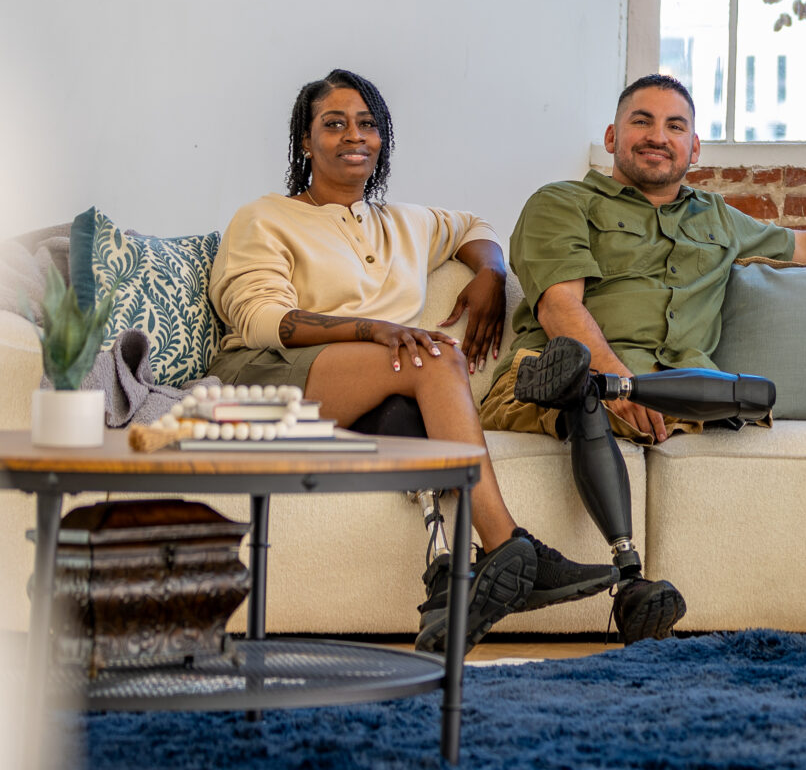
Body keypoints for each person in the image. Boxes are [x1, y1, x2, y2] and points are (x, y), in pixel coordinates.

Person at [207, 69, 614, 655]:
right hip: (267, 377)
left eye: (367, 124)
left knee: (427, 373)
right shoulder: (265, 217)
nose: (355, 135)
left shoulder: (402, 222)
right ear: (305, 141)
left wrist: (490, 272)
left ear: (383, 139)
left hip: (369, 383)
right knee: (435, 357)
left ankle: (464, 584)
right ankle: (509, 549)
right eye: (335, 124)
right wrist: (374, 328)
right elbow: (263, 320)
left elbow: (473, 226)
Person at [478, 73, 806, 643]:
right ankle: (629, 578)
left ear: (694, 147)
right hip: (560, 375)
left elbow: (804, 245)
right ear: (611, 137)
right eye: (641, 121)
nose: (658, 136)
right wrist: (618, 380)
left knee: (746, 394)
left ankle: (636, 397)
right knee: (580, 383)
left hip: (676, 388)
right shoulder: (562, 202)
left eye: (675, 126)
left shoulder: (717, 218)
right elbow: (558, 306)